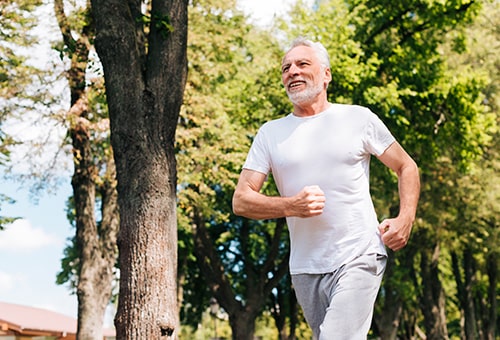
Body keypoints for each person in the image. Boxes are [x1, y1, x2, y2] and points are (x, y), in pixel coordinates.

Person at [232, 37, 420, 339]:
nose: (292, 71)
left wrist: (405, 217)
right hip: (305, 267)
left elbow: (406, 166)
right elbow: (241, 200)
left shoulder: (358, 118)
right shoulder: (270, 134)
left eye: (302, 64)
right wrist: (290, 206)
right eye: (286, 68)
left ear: (326, 74)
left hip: (359, 254)